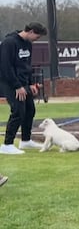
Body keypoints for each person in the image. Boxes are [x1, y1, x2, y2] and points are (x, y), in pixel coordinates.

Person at [0, 22, 48, 154]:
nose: (37, 39)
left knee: (30, 110)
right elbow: (5, 67)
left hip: (23, 83)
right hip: (9, 82)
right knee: (18, 111)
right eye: (37, 36)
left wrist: (31, 84)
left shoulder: (28, 44)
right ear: (31, 31)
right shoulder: (9, 43)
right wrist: (17, 86)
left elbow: (27, 66)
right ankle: (7, 144)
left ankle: (25, 141)